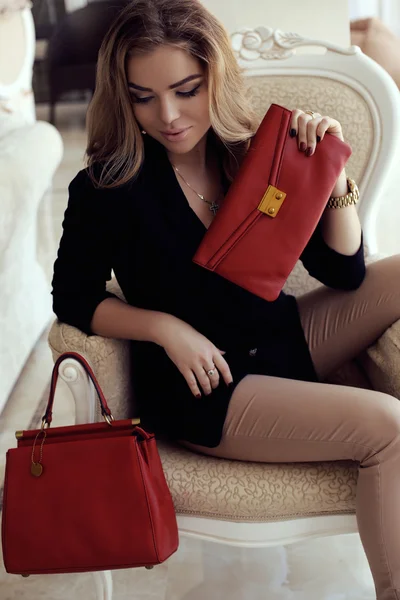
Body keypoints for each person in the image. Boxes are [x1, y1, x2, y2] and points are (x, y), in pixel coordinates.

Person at [51, 0, 400, 597]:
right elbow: (71, 296)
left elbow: (343, 273)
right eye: (143, 96)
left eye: (187, 90)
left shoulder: (254, 153)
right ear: (123, 94)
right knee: (389, 428)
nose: (168, 115)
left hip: (281, 337)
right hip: (210, 390)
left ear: (216, 77)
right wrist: (164, 327)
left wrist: (332, 178)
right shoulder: (107, 186)